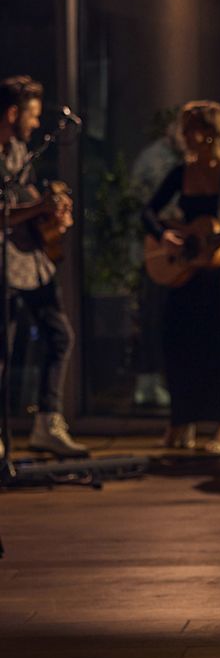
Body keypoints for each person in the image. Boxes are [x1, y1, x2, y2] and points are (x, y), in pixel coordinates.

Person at [141, 101, 220, 453]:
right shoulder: (181, 171)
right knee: (177, 335)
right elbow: (148, 211)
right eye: (186, 128)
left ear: (211, 132)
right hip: (187, 268)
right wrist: (165, 234)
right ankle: (181, 420)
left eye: (193, 128)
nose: (187, 135)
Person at [0, 76, 83, 459]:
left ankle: (48, 422)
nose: (36, 124)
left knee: (59, 335)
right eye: (31, 115)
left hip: (31, 262)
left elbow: (25, 197)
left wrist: (53, 212)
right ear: (11, 113)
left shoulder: (19, 150)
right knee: (3, 349)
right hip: (4, 263)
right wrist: (38, 208)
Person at [130, 106, 182, 409]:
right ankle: (147, 382)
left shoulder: (181, 160)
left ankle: (158, 381)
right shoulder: (155, 159)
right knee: (152, 317)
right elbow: (142, 204)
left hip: (172, 253)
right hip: (157, 251)